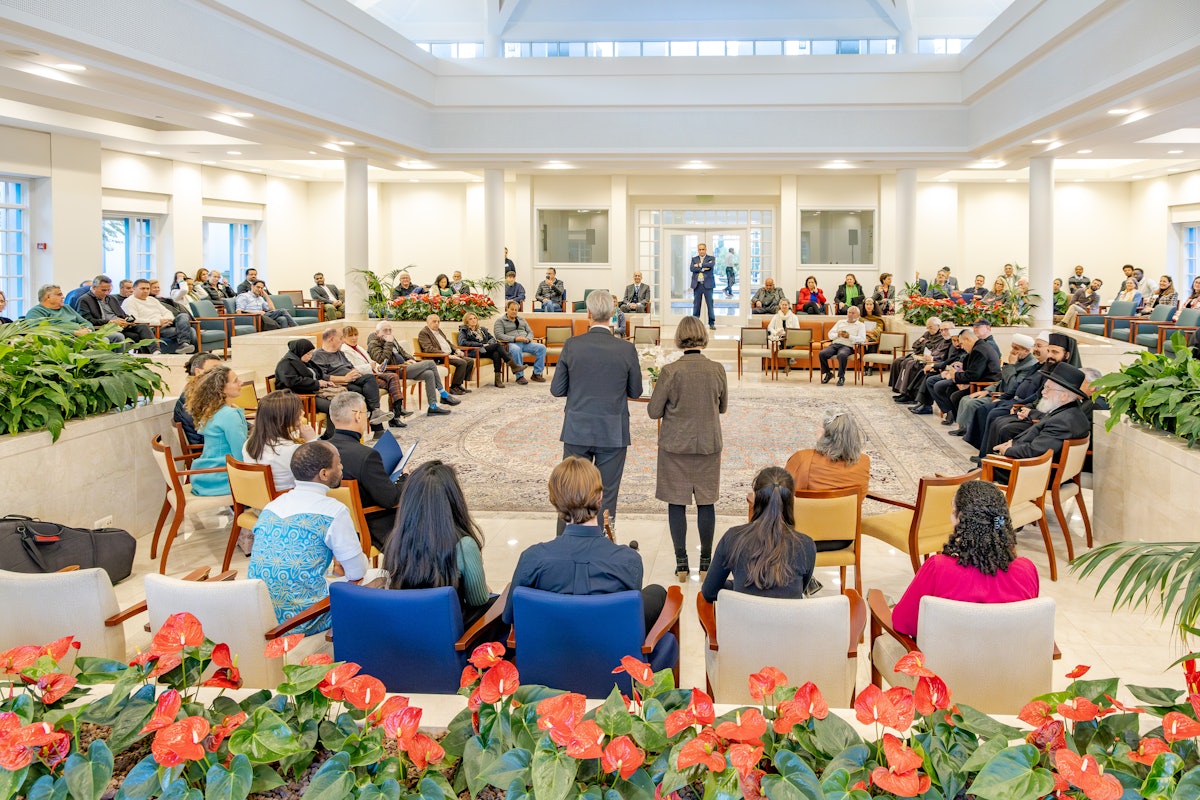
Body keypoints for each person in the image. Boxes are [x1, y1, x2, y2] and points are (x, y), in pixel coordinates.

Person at [502, 456, 666, 632]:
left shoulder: (532, 559)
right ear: (600, 496)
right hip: (610, 655)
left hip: (547, 655)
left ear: (553, 500)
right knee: (657, 593)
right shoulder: (629, 561)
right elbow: (631, 619)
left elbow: (510, 617)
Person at [880, 480, 1039, 659]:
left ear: (960, 519)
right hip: (1005, 674)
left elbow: (902, 623)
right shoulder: (1026, 571)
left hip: (942, 677)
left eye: (952, 509)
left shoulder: (938, 569)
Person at [247, 441, 370, 634]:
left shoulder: (272, 506)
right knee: (378, 577)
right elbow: (357, 573)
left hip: (262, 612)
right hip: (303, 619)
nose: (341, 468)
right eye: (338, 464)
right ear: (323, 474)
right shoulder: (333, 511)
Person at [550, 290, 642, 535]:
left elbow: (557, 389)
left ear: (588, 314)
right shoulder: (626, 349)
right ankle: (602, 544)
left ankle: (565, 543)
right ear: (612, 315)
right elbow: (636, 390)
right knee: (607, 493)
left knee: (571, 490)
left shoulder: (572, 345)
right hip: (612, 430)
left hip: (577, 428)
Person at [647, 316, 728, 581]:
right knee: (707, 502)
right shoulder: (717, 369)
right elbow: (723, 407)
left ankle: (681, 564)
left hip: (675, 446)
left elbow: (653, 411)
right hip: (708, 443)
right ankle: (706, 563)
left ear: (679, 337)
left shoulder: (670, 371)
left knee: (676, 501)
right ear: (703, 336)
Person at [382, 460, 497, 626]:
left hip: (408, 631)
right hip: (454, 638)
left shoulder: (396, 539)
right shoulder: (464, 546)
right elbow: (477, 602)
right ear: (453, 499)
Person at [700, 467, 817, 603]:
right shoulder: (806, 545)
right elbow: (799, 589)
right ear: (791, 501)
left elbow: (709, 592)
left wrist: (736, 586)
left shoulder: (733, 538)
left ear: (755, 499)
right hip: (788, 623)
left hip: (741, 623)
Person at [324, 391, 404, 547]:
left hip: (336, 525)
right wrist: (405, 477)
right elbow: (391, 499)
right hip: (371, 524)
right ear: (358, 416)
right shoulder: (367, 456)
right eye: (366, 413)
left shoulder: (321, 450)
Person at [784, 410, 870, 554]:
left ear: (826, 435)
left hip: (799, 537)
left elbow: (783, 495)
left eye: (819, 427)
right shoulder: (864, 462)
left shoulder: (802, 458)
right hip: (842, 538)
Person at [994, 361, 1092, 465]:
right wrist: (1014, 444)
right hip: (1032, 465)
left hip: (1029, 472)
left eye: (1048, 389)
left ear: (1064, 396)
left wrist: (1007, 450)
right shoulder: (1068, 410)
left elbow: (1036, 451)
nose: (1043, 392)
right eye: (1045, 387)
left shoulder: (1063, 421)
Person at [951, 333, 1039, 438]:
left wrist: (1010, 365)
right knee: (966, 398)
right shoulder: (1020, 360)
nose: (1012, 351)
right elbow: (1002, 381)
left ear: (1026, 351)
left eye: (1016, 349)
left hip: (1007, 396)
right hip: (996, 392)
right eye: (1012, 347)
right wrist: (987, 391)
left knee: (972, 403)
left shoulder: (1029, 366)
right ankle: (964, 428)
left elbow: (1014, 386)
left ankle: (971, 433)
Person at [310, 327, 393, 436]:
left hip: (352, 379)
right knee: (360, 394)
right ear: (331, 339)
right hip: (339, 384)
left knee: (369, 378)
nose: (342, 341)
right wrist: (344, 378)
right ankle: (377, 425)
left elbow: (350, 366)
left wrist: (354, 373)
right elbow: (322, 376)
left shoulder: (339, 353)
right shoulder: (318, 355)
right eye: (340, 338)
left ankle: (375, 415)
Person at [366, 321, 458, 415]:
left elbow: (403, 352)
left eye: (390, 330)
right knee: (430, 363)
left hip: (405, 367)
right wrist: (389, 343)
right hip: (395, 370)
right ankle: (443, 394)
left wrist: (410, 360)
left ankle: (433, 406)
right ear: (377, 332)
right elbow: (381, 360)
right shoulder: (374, 343)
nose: (388, 333)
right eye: (385, 330)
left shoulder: (391, 339)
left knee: (429, 374)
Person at [184, 365, 248, 496]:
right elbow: (240, 455)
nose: (241, 383)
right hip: (221, 477)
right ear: (221, 388)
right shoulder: (229, 415)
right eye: (235, 381)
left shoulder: (213, 410)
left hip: (204, 473)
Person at [243, 390, 319, 492]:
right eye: (297, 411)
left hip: (261, 498)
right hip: (287, 499)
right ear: (284, 418)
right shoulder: (291, 451)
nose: (303, 412)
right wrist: (312, 441)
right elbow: (317, 473)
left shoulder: (249, 443)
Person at [928, 327, 1003, 422]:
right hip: (978, 381)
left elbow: (973, 375)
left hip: (984, 384)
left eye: (962, 343)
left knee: (955, 396)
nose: (962, 346)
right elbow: (974, 369)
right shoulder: (979, 347)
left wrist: (955, 375)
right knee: (949, 388)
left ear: (968, 339)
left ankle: (962, 424)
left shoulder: (978, 350)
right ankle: (955, 418)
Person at [341, 325, 409, 427]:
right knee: (392, 384)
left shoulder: (358, 347)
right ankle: (396, 414)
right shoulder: (344, 350)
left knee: (393, 376)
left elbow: (371, 361)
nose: (354, 338)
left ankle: (398, 409)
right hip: (364, 377)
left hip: (373, 372)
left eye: (356, 335)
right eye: (351, 336)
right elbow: (352, 368)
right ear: (344, 338)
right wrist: (370, 366)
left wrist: (378, 366)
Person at [26, 284, 123, 343]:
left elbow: (85, 322)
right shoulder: (35, 312)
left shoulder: (66, 308)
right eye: (59, 294)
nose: (63, 297)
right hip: (64, 340)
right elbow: (44, 332)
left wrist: (87, 329)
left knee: (118, 337)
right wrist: (75, 332)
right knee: (104, 341)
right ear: (48, 297)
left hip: (85, 334)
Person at [77, 274, 153, 349]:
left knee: (143, 327)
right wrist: (111, 322)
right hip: (103, 328)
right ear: (94, 287)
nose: (107, 293)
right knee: (134, 336)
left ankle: (155, 351)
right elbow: (87, 320)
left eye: (109, 290)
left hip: (120, 326)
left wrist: (128, 320)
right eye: (103, 290)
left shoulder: (111, 298)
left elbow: (122, 314)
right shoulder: (84, 300)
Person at [121, 279, 197, 353]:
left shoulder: (152, 299)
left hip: (166, 323)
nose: (145, 291)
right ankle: (185, 345)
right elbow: (135, 320)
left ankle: (184, 344)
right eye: (142, 288)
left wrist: (166, 319)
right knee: (191, 331)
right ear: (134, 289)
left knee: (183, 315)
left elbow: (167, 312)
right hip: (153, 328)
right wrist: (159, 322)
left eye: (148, 288)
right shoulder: (129, 302)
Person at [274, 338, 338, 416]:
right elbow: (293, 382)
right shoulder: (285, 364)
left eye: (311, 353)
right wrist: (317, 383)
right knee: (334, 408)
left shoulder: (304, 362)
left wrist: (325, 382)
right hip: (296, 397)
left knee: (340, 404)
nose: (310, 356)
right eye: (308, 354)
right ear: (300, 352)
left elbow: (316, 375)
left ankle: (331, 428)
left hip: (311, 393)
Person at [458, 311, 521, 388]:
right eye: (470, 319)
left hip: (484, 349)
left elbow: (491, 338)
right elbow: (462, 343)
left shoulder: (482, 329)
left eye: (475, 318)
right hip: (474, 351)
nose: (473, 320)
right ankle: (513, 365)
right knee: (497, 346)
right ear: (466, 321)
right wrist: (481, 344)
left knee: (496, 354)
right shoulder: (463, 330)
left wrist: (489, 343)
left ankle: (498, 380)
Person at [493, 300, 548, 384]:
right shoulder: (500, 321)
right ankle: (520, 376)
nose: (514, 311)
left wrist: (528, 339)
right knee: (516, 349)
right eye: (512, 309)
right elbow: (499, 335)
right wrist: (515, 339)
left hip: (525, 343)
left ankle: (536, 374)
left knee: (542, 348)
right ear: (507, 309)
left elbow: (530, 332)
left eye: (516, 310)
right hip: (510, 344)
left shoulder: (522, 320)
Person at [417, 314, 474, 394]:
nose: (437, 323)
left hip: (448, 355)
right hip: (439, 358)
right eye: (434, 321)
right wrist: (446, 355)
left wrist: (457, 350)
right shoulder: (424, 333)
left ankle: (458, 384)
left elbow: (448, 343)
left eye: (438, 321)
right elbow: (428, 349)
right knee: (462, 362)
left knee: (470, 361)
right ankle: (454, 387)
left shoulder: (439, 331)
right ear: (428, 322)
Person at [890, 317, 944, 397]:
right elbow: (915, 345)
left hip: (928, 358)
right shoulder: (927, 334)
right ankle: (897, 388)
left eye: (931, 327)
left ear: (938, 326)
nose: (929, 329)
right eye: (927, 327)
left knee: (910, 364)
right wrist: (920, 342)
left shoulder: (941, 337)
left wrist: (924, 343)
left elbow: (932, 349)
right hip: (918, 355)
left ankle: (907, 393)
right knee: (897, 361)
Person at [175, 352, 220, 446]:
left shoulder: (204, 393)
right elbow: (207, 433)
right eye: (215, 370)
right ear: (198, 371)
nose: (221, 375)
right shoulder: (192, 399)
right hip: (209, 450)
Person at [819, 304, 866, 386]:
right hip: (835, 344)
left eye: (853, 313)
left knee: (842, 355)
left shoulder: (861, 325)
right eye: (849, 312)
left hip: (848, 346)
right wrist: (838, 334)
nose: (850, 315)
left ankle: (841, 377)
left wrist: (849, 336)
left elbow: (862, 339)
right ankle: (828, 373)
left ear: (858, 315)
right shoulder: (840, 322)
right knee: (822, 353)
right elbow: (830, 334)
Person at [689, 243, 717, 329]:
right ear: (698, 250)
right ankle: (695, 323)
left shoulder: (711, 258)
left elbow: (711, 265)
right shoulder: (694, 259)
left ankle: (711, 323)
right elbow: (692, 269)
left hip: (708, 286)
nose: (701, 251)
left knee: (710, 305)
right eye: (700, 249)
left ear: (706, 249)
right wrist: (703, 268)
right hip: (697, 285)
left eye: (703, 249)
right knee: (696, 305)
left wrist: (699, 265)